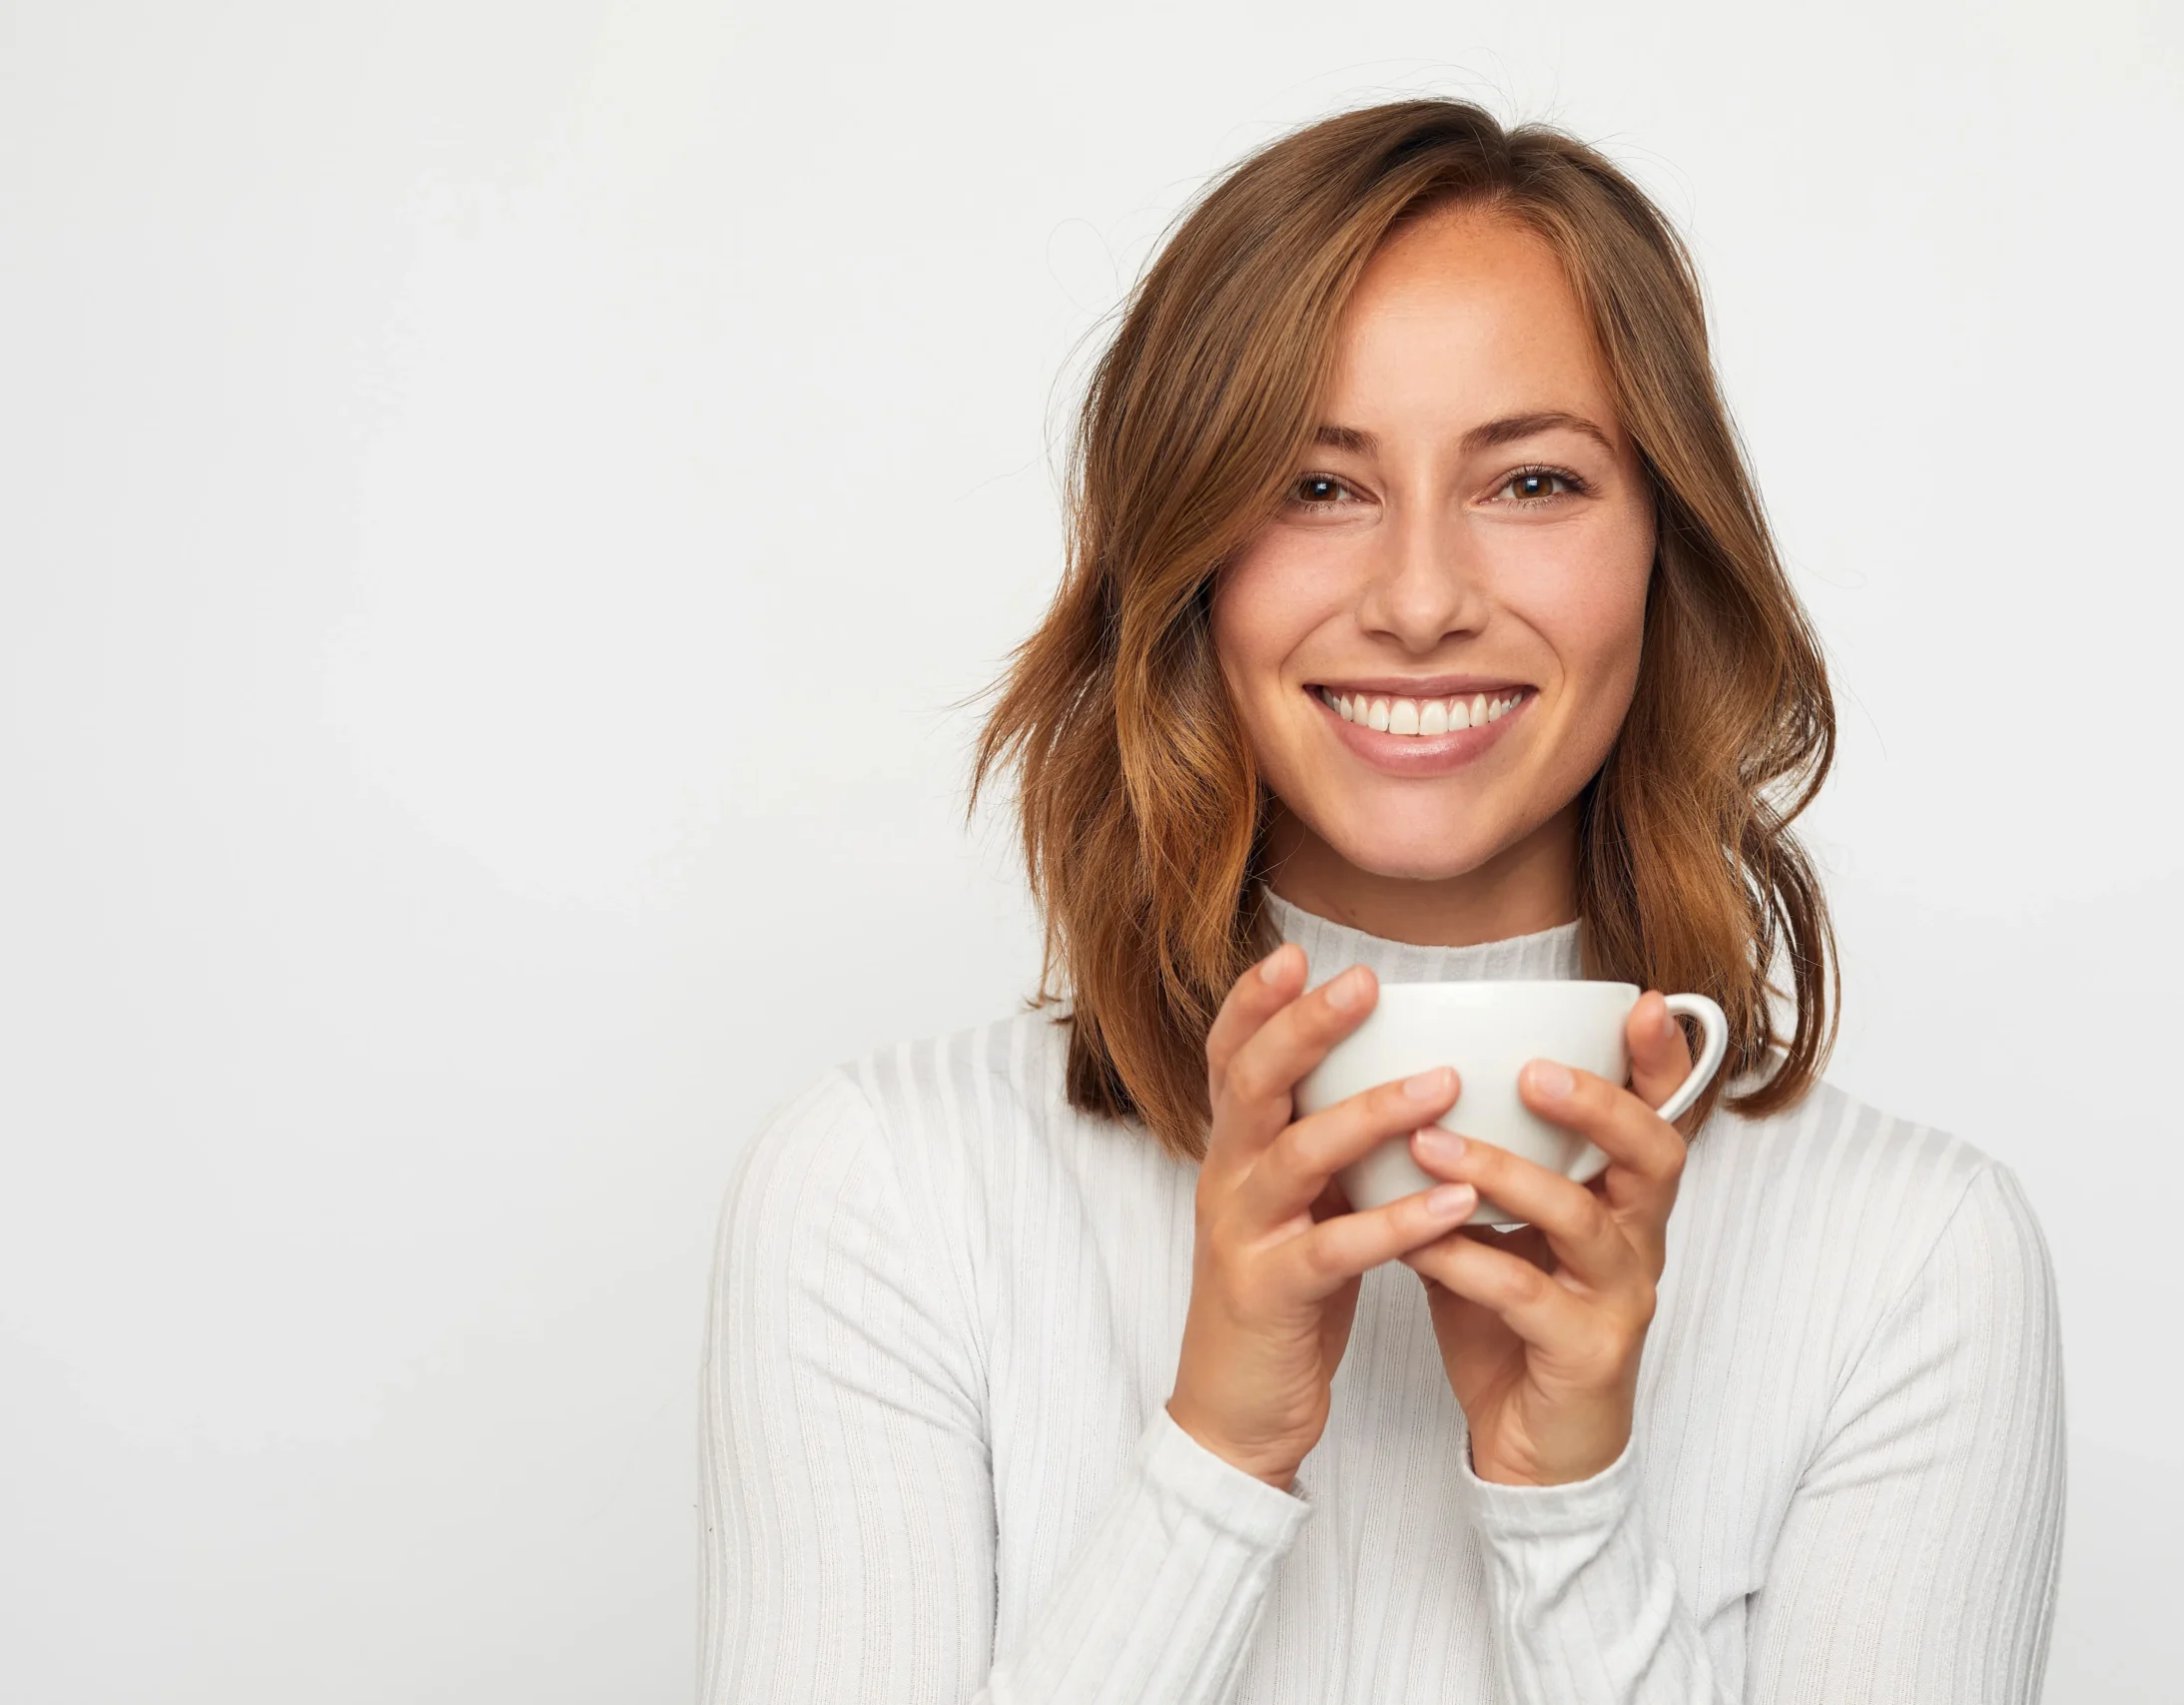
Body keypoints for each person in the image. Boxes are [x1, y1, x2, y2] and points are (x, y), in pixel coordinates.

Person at [697, 99, 2063, 1704]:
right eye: (1317, 486)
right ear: (1187, 559)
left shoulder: (1914, 1261)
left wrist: (1567, 1514)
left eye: (1536, 482)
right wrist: (1218, 1461)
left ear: (1662, 555)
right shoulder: (883, 1196)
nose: (1421, 601)